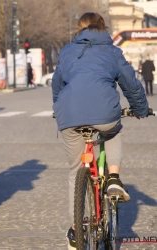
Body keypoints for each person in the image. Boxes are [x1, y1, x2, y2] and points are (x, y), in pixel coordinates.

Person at [51, 13, 149, 250]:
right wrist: (140, 109)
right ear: (103, 29)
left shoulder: (67, 51)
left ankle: (76, 231)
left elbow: (57, 84)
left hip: (69, 115)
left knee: (75, 170)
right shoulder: (112, 51)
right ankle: (113, 178)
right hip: (104, 114)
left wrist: (59, 108)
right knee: (113, 131)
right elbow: (130, 83)